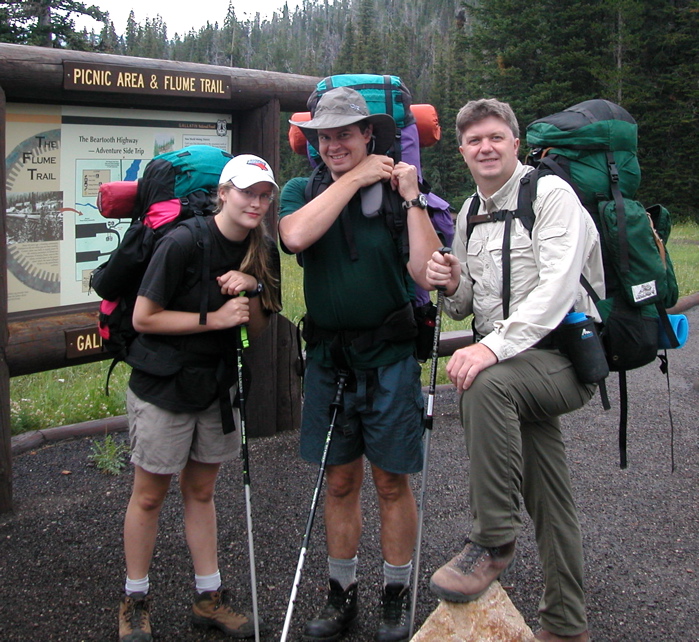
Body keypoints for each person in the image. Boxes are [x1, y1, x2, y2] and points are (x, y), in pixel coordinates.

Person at [424, 98, 604, 642]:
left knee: (482, 384)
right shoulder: (469, 210)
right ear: (462, 151)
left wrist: (491, 349)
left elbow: (557, 290)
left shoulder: (550, 195)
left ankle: (492, 538)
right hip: (513, 362)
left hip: (564, 359)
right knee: (551, 498)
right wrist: (452, 281)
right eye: (475, 140)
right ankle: (567, 626)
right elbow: (465, 306)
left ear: (515, 143)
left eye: (496, 137)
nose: (486, 147)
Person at [279, 86, 441, 642]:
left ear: (369, 132)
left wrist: (412, 195)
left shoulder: (397, 195)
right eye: (325, 135)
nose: (334, 143)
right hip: (329, 360)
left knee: (391, 480)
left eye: (346, 133)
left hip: (391, 358)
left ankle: (395, 594)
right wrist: (356, 177)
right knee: (340, 480)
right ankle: (340, 592)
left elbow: (424, 272)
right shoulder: (301, 191)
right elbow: (295, 235)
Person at [117, 154, 281, 642]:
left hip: (216, 385)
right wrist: (212, 319)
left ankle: (208, 597)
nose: (256, 202)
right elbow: (144, 319)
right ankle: (135, 599)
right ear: (224, 193)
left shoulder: (262, 249)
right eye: (246, 191)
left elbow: (258, 326)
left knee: (202, 490)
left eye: (264, 194)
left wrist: (251, 289)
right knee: (149, 495)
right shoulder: (183, 241)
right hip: (162, 383)